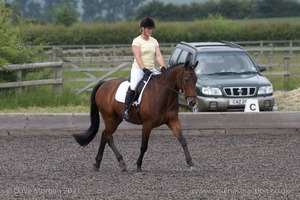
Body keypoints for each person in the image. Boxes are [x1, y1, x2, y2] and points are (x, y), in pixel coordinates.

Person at [123, 17, 166, 121]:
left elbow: (158, 55)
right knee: (133, 86)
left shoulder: (154, 41)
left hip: (151, 68)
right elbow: (137, 57)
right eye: (149, 28)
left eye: (152, 28)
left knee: (163, 83)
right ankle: (126, 110)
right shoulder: (136, 41)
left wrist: (163, 67)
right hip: (138, 68)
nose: (151, 30)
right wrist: (144, 69)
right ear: (142, 28)